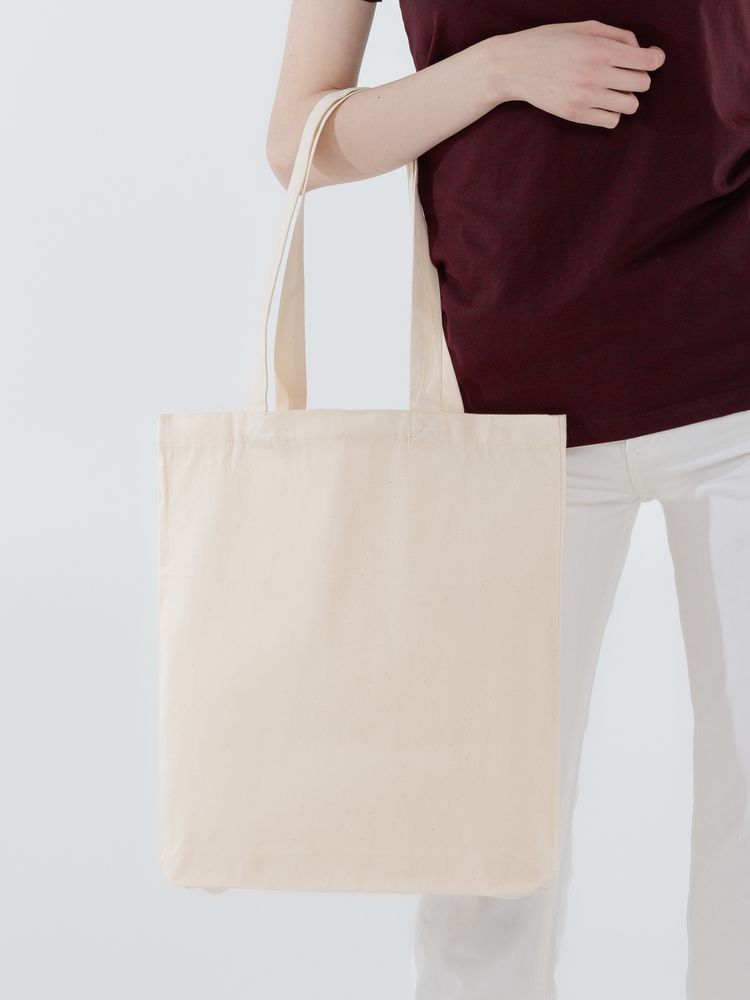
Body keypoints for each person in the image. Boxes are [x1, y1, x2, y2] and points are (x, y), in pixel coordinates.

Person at [264, 2, 750, 997]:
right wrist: (494, 71)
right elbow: (299, 141)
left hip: (734, 372)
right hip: (505, 408)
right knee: (484, 855)